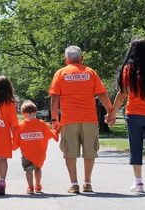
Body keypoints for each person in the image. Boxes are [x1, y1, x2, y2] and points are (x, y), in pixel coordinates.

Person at [49, 45, 112, 193]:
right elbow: (102, 94)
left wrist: (54, 119)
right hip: (89, 119)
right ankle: (87, 183)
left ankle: (74, 184)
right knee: (90, 151)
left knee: (70, 152)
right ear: (81, 59)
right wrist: (111, 112)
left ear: (66, 60)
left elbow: (54, 99)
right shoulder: (90, 73)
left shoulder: (61, 73)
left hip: (68, 119)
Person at [106, 38, 145, 193]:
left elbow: (122, 94)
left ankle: (138, 183)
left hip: (134, 114)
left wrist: (111, 113)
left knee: (135, 148)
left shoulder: (129, 68)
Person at [13, 100, 58, 194]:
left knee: (28, 170)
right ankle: (38, 186)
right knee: (38, 168)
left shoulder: (20, 126)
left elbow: (16, 140)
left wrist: (12, 145)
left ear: (23, 113)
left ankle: (30, 188)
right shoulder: (41, 123)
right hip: (39, 152)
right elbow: (50, 133)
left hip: (26, 153)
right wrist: (56, 132)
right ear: (35, 112)